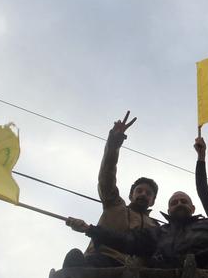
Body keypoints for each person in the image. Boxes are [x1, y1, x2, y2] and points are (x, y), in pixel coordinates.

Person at [66, 188, 208, 274]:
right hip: (164, 273)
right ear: (168, 209)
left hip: (204, 269)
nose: (179, 204)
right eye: (174, 202)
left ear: (193, 208)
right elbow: (126, 240)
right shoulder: (157, 232)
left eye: (184, 202)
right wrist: (92, 230)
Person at [63, 112, 159, 268]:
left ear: (153, 200)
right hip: (102, 260)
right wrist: (114, 142)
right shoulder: (114, 204)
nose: (143, 194)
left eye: (148, 193)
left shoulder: (156, 227)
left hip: (137, 273)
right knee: (75, 260)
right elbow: (107, 175)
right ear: (131, 195)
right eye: (139, 190)